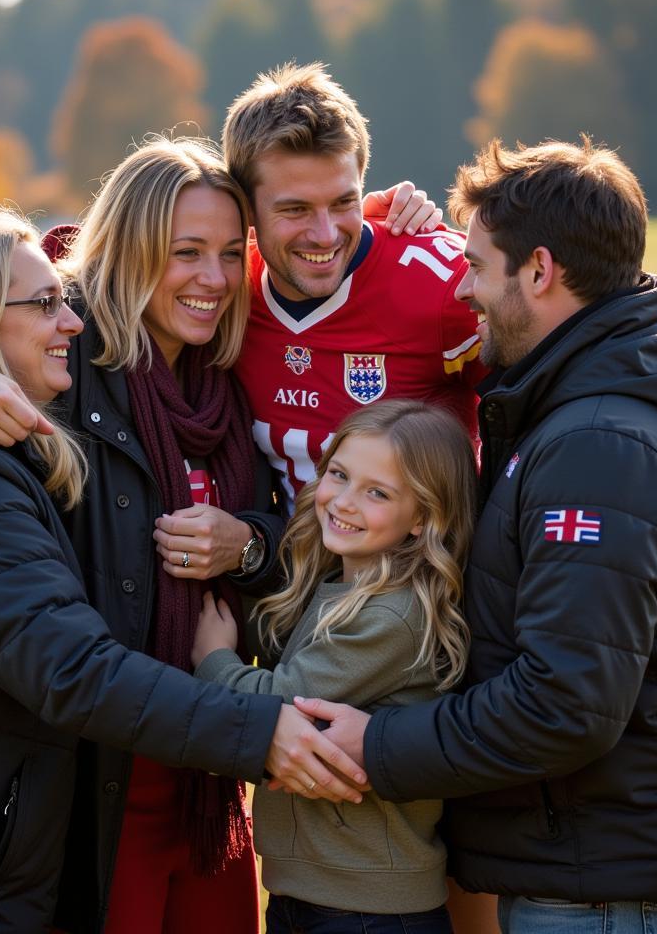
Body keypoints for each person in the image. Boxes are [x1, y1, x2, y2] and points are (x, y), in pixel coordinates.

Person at [0, 142, 374, 934]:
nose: (216, 278)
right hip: (86, 773)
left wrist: (248, 546)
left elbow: (284, 535)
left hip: (201, 777)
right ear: (129, 249)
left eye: (232, 254)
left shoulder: (230, 373)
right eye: (184, 252)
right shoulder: (60, 358)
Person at [296, 137, 657, 934]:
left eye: (477, 266)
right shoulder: (577, 405)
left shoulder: (598, 444)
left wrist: (378, 747)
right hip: (598, 860)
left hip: (609, 883)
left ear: (540, 272)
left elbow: (565, 703)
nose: (465, 290)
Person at [191, 400, 477, 934]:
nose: (343, 502)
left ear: (423, 519)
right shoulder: (339, 586)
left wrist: (214, 660)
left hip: (369, 909)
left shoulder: (394, 613)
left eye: (378, 493)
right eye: (339, 475)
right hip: (312, 894)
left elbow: (284, 703)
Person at [222, 62, 488, 503]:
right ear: (246, 209)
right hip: (289, 566)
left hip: (426, 569)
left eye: (344, 202)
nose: (325, 235)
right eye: (295, 210)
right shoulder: (226, 290)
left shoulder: (444, 285)